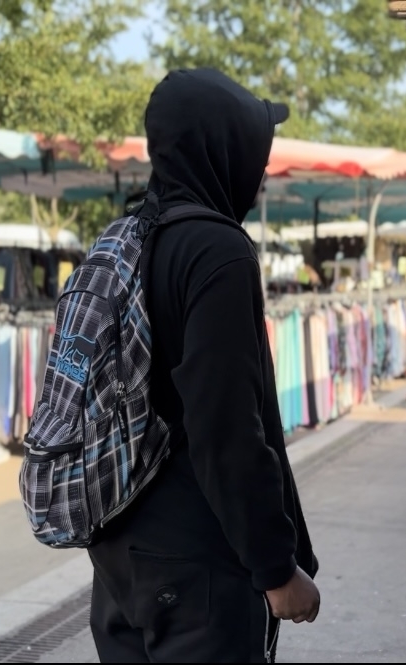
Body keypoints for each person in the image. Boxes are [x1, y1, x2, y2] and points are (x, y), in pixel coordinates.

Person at [86, 68, 320, 663]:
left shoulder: (125, 238)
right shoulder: (217, 250)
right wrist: (275, 568)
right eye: (256, 150)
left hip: (118, 546)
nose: (261, 171)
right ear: (224, 149)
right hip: (198, 566)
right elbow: (227, 428)